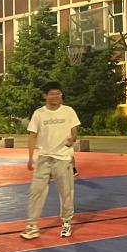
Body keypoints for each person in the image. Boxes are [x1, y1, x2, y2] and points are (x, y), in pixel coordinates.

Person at [23, 81, 81, 239]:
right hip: (44, 157)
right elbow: (32, 135)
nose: (56, 97)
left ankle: (66, 222)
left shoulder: (68, 111)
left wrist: (72, 139)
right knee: (36, 191)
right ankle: (32, 225)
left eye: (58, 94)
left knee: (66, 191)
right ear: (45, 96)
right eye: (52, 94)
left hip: (63, 157)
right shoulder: (39, 114)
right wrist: (30, 157)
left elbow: (74, 131)